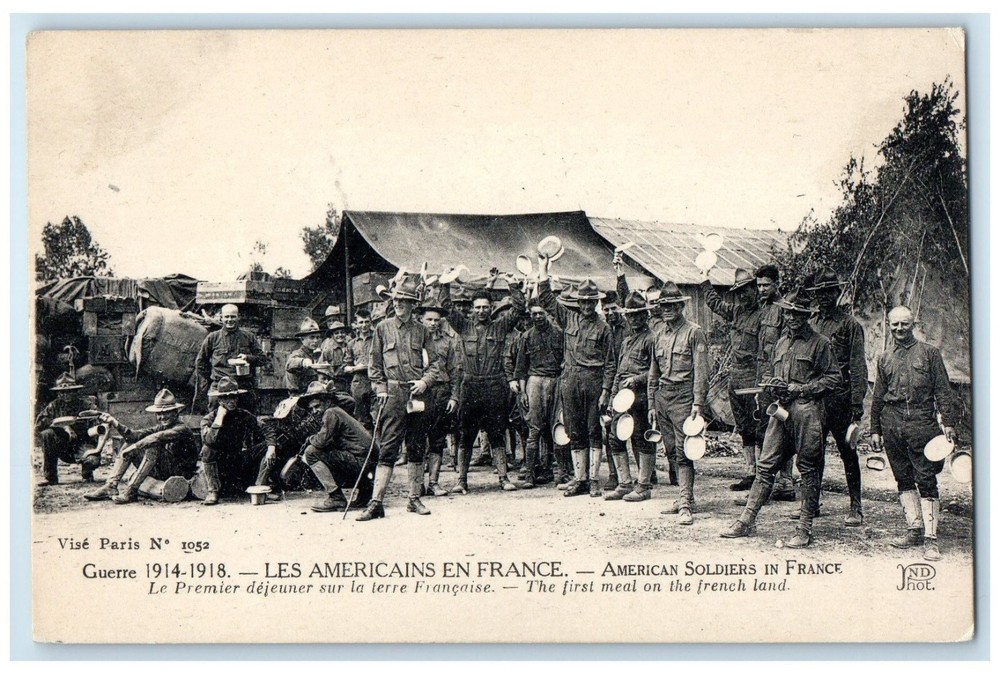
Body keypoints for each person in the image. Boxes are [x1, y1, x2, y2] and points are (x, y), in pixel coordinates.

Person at [722, 290, 841, 547]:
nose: (791, 317)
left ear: (806, 316)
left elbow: (834, 378)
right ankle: (746, 521)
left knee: (808, 469)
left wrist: (804, 388)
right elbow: (775, 374)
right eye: (788, 313)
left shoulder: (820, 343)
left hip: (807, 411)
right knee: (765, 467)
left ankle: (804, 528)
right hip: (781, 411)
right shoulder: (781, 343)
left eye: (797, 313)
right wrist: (776, 385)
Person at [870, 306, 957, 561]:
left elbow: (943, 390)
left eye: (904, 324)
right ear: (889, 325)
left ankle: (931, 539)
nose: (899, 329)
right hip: (892, 423)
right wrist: (875, 429)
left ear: (913, 324)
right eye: (894, 324)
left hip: (922, 423)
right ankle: (914, 530)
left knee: (926, 478)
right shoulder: (884, 358)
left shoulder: (930, 354)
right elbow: (878, 398)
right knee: (903, 478)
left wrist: (949, 423)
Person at [358, 274, 443, 520]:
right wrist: (380, 388)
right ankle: (376, 503)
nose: (398, 304)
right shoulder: (382, 329)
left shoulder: (422, 331)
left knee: (416, 446)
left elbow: (436, 364)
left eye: (404, 301)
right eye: (396, 300)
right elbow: (374, 364)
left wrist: (425, 382)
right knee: (388, 448)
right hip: (392, 394)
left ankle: (414, 499)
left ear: (412, 304)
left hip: (416, 394)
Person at [440, 270, 526, 494]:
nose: (481, 311)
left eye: (485, 307)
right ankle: (461, 480)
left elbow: (518, 309)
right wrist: (445, 283)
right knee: (465, 434)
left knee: (497, 432)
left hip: (494, 386)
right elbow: (446, 306)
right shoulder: (463, 326)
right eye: (477, 307)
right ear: (472, 309)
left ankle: (503, 478)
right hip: (469, 386)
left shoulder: (500, 326)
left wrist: (512, 285)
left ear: (491, 308)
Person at [537, 262, 616, 498]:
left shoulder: (604, 328)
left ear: (596, 302)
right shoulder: (569, 319)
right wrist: (543, 270)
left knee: (594, 430)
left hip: (593, 381)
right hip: (570, 380)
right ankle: (579, 479)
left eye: (591, 302)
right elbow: (546, 299)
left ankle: (593, 480)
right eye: (583, 302)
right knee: (574, 430)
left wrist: (605, 391)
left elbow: (611, 363)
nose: (587, 306)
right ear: (578, 303)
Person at [807, 268, 868, 526]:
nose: (823, 297)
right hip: (816, 398)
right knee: (812, 452)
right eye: (819, 293)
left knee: (847, 452)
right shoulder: (811, 323)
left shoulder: (850, 324)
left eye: (828, 292)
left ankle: (856, 507)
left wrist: (857, 402)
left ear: (837, 292)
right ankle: (811, 505)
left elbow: (858, 365)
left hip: (841, 399)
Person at [647, 282, 710, 525]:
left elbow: (701, 371)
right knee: (671, 451)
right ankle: (685, 497)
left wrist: (698, 404)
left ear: (681, 306)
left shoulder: (694, 332)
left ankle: (685, 504)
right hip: (663, 398)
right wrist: (652, 403)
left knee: (684, 453)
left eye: (672, 305)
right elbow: (654, 372)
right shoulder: (658, 335)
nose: (667, 309)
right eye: (663, 305)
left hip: (684, 398)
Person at [700, 267, 761, 491]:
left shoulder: (764, 314)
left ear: (755, 289)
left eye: (746, 290)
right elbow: (715, 303)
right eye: (738, 292)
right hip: (735, 376)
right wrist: (705, 280)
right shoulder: (736, 312)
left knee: (759, 426)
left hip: (755, 377)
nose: (742, 295)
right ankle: (750, 472)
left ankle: (763, 477)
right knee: (743, 426)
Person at [84, 389, 199, 504]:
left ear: (175, 412)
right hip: (164, 470)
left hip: (181, 473)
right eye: (159, 413)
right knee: (128, 442)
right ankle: (111, 485)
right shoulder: (161, 427)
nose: (162, 417)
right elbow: (134, 436)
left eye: (166, 412)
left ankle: (132, 491)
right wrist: (114, 422)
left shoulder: (182, 429)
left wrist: (135, 447)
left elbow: (156, 438)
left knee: (151, 445)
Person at [605, 291, 658, 502]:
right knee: (615, 437)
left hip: (641, 396)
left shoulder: (651, 339)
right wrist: (611, 397)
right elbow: (618, 371)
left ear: (646, 316)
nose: (634, 319)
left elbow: (656, 371)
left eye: (639, 315)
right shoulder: (626, 341)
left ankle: (644, 486)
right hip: (622, 397)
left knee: (641, 438)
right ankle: (624, 483)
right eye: (631, 316)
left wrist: (636, 379)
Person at [299, 381, 377, 513]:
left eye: (317, 406)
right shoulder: (339, 410)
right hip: (369, 462)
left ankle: (336, 497)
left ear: (327, 401)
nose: (315, 411)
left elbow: (320, 442)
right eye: (312, 409)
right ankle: (365, 492)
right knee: (334, 452)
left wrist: (309, 438)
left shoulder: (331, 413)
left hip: (362, 462)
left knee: (311, 452)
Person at [198, 376, 274, 506]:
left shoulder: (243, 414)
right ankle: (213, 491)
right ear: (220, 399)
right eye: (226, 397)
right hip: (219, 466)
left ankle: (259, 488)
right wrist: (219, 419)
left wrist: (271, 447)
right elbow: (209, 440)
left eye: (234, 397)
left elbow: (266, 428)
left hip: (238, 460)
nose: (231, 401)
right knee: (207, 449)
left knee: (268, 447)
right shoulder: (209, 419)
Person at [755, 264, 795, 501]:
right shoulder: (764, 309)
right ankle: (771, 482)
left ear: (777, 284)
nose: (761, 289)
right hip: (764, 378)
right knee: (765, 430)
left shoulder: (784, 310)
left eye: (766, 285)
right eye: (758, 285)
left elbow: (784, 347)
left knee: (783, 425)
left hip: (779, 378)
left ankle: (786, 482)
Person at [513, 301, 564, 487]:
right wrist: (524, 391)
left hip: (555, 381)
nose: (538, 317)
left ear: (547, 314)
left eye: (541, 313)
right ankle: (529, 473)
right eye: (534, 314)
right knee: (534, 429)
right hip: (534, 382)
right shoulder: (526, 337)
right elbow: (521, 368)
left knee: (555, 427)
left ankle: (551, 470)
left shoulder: (559, 334)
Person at [416, 301, 463, 497]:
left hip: (441, 393)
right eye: (429, 319)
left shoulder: (448, 342)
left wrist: (454, 396)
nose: (433, 323)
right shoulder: (414, 340)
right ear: (421, 319)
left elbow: (454, 371)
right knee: (417, 439)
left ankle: (434, 482)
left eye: (436, 320)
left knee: (437, 439)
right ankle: (417, 484)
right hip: (419, 392)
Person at [194, 304, 267, 410]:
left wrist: (248, 358)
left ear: (238, 317)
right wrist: (211, 380)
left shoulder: (248, 337)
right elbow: (200, 362)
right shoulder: (212, 338)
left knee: (247, 416)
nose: (229, 320)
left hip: (242, 385)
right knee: (215, 415)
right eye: (226, 316)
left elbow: (263, 359)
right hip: (220, 385)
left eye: (233, 316)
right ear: (221, 318)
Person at [35, 372, 99, 486]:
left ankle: (87, 474)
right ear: (58, 393)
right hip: (63, 446)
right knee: (47, 434)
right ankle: (51, 477)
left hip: (82, 443)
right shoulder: (53, 406)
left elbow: (97, 422)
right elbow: (40, 422)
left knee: (92, 460)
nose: (66, 395)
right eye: (63, 392)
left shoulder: (86, 405)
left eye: (69, 392)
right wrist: (64, 426)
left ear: (75, 392)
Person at [342, 309, 376, 431]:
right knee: (362, 420)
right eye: (361, 322)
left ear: (371, 322)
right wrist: (355, 368)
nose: (364, 325)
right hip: (359, 383)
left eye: (367, 322)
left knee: (378, 417)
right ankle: (367, 448)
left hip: (375, 381)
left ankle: (379, 448)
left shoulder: (377, 339)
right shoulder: (351, 344)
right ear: (356, 324)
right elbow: (346, 367)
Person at [284, 317, 325, 393]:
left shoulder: (317, 354)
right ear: (302, 339)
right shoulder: (298, 354)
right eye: (312, 337)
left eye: (317, 337)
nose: (315, 341)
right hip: (300, 395)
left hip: (315, 393)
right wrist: (303, 362)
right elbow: (289, 364)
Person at [319, 319, 352, 392]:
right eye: (336, 333)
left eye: (342, 332)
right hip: (336, 385)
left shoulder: (351, 347)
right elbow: (321, 368)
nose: (340, 335)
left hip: (351, 383)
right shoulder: (328, 350)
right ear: (332, 335)